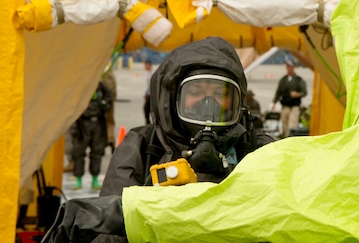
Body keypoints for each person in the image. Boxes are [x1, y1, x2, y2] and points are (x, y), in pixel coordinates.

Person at [42, 37, 275, 243]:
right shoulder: (143, 146)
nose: (208, 105)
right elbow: (108, 235)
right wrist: (150, 199)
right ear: (173, 99)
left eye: (220, 95)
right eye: (195, 93)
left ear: (237, 102)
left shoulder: (258, 149)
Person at [70, 81, 113, 190]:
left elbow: (109, 96)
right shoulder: (80, 86)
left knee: (97, 152)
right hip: (82, 123)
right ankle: (78, 179)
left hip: (97, 123)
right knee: (78, 152)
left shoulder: (100, 85)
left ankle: (95, 178)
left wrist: (102, 104)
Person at [271, 59, 307, 138]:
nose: (289, 68)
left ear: (293, 67)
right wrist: (274, 103)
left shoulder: (299, 80)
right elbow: (278, 92)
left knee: (292, 125)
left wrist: (298, 94)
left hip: (294, 107)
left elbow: (304, 92)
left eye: (290, 66)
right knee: (284, 125)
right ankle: (285, 139)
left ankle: (290, 140)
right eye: (287, 66)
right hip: (285, 106)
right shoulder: (283, 80)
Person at [101, 70, 117, 153]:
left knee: (100, 124)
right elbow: (114, 87)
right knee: (110, 122)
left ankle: (101, 145)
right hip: (110, 102)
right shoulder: (110, 73)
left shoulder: (99, 72)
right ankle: (111, 139)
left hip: (99, 102)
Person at [142, 59, 154, 125]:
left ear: (149, 65)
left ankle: (148, 123)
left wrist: (147, 93)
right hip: (149, 94)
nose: (144, 67)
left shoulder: (152, 73)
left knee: (147, 109)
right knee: (146, 109)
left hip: (151, 95)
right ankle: (148, 122)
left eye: (145, 65)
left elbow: (151, 85)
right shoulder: (148, 73)